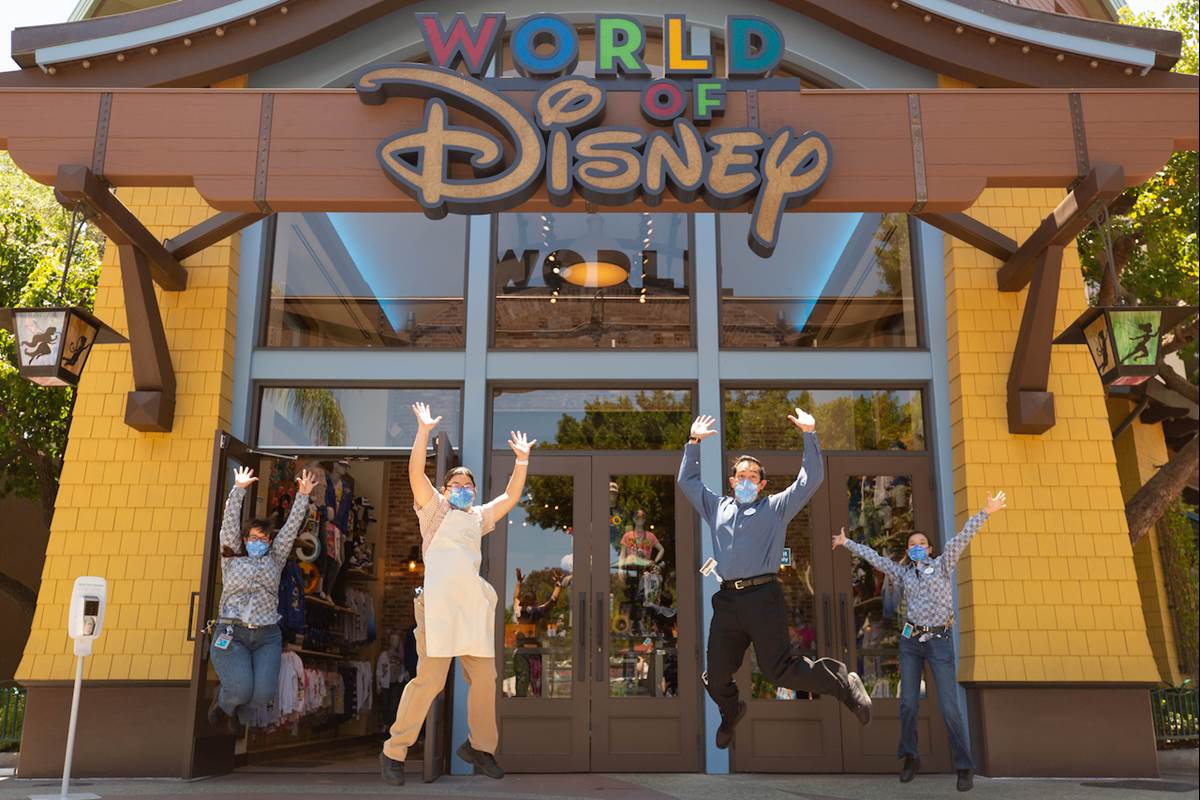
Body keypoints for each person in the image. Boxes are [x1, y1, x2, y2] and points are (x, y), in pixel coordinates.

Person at [679, 411, 873, 751]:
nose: (746, 481)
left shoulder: (776, 507)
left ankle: (844, 682)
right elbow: (688, 482)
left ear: (762, 484)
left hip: (763, 599)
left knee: (778, 670)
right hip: (727, 601)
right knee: (717, 674)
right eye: (741, 476)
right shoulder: (717, 507)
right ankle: (731, 711)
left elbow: (810, 479)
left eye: (753, 477)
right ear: (732, 481)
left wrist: (810, 434)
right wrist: (693, 441)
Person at [380, 402, 535, 786]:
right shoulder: (433, 510)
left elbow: (509, 498)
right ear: (444, 490)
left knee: (485, 678)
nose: (463, 490)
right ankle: (394, 751)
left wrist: (521, 461)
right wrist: (423, 432)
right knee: (429, 682)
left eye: (469, 487)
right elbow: (415, 473)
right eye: (456, 486)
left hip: (470, 609)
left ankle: (480, 747)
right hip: (436, 607)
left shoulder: (478, 518)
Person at [833, 490, 1007, 793]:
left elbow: (963, 537)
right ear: (908, 550)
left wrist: (986, 512)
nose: (917, 547)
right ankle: (910, 757)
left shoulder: (942, 565)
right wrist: (847, 543)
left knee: (949, 706)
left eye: (922, 544)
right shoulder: (903, 574)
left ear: (930, 548)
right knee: (908, 703)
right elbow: (875, 558)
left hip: (939, 641)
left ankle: (964, 766)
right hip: (911, 642)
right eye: (912, 544)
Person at [207, 466, 317, 732]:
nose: (260, 542)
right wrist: (238, 490)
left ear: (269, 542)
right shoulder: (231, 557)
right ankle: (224, 701)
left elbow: (289, 530)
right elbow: (228, 525)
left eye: (264, 538)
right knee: (240, 689)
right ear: (245, 540)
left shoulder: (275, 560)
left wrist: (303, 496)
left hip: (267, 636)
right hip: (232, 634)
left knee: (264, 693)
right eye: (255, 538)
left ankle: (241, 714)